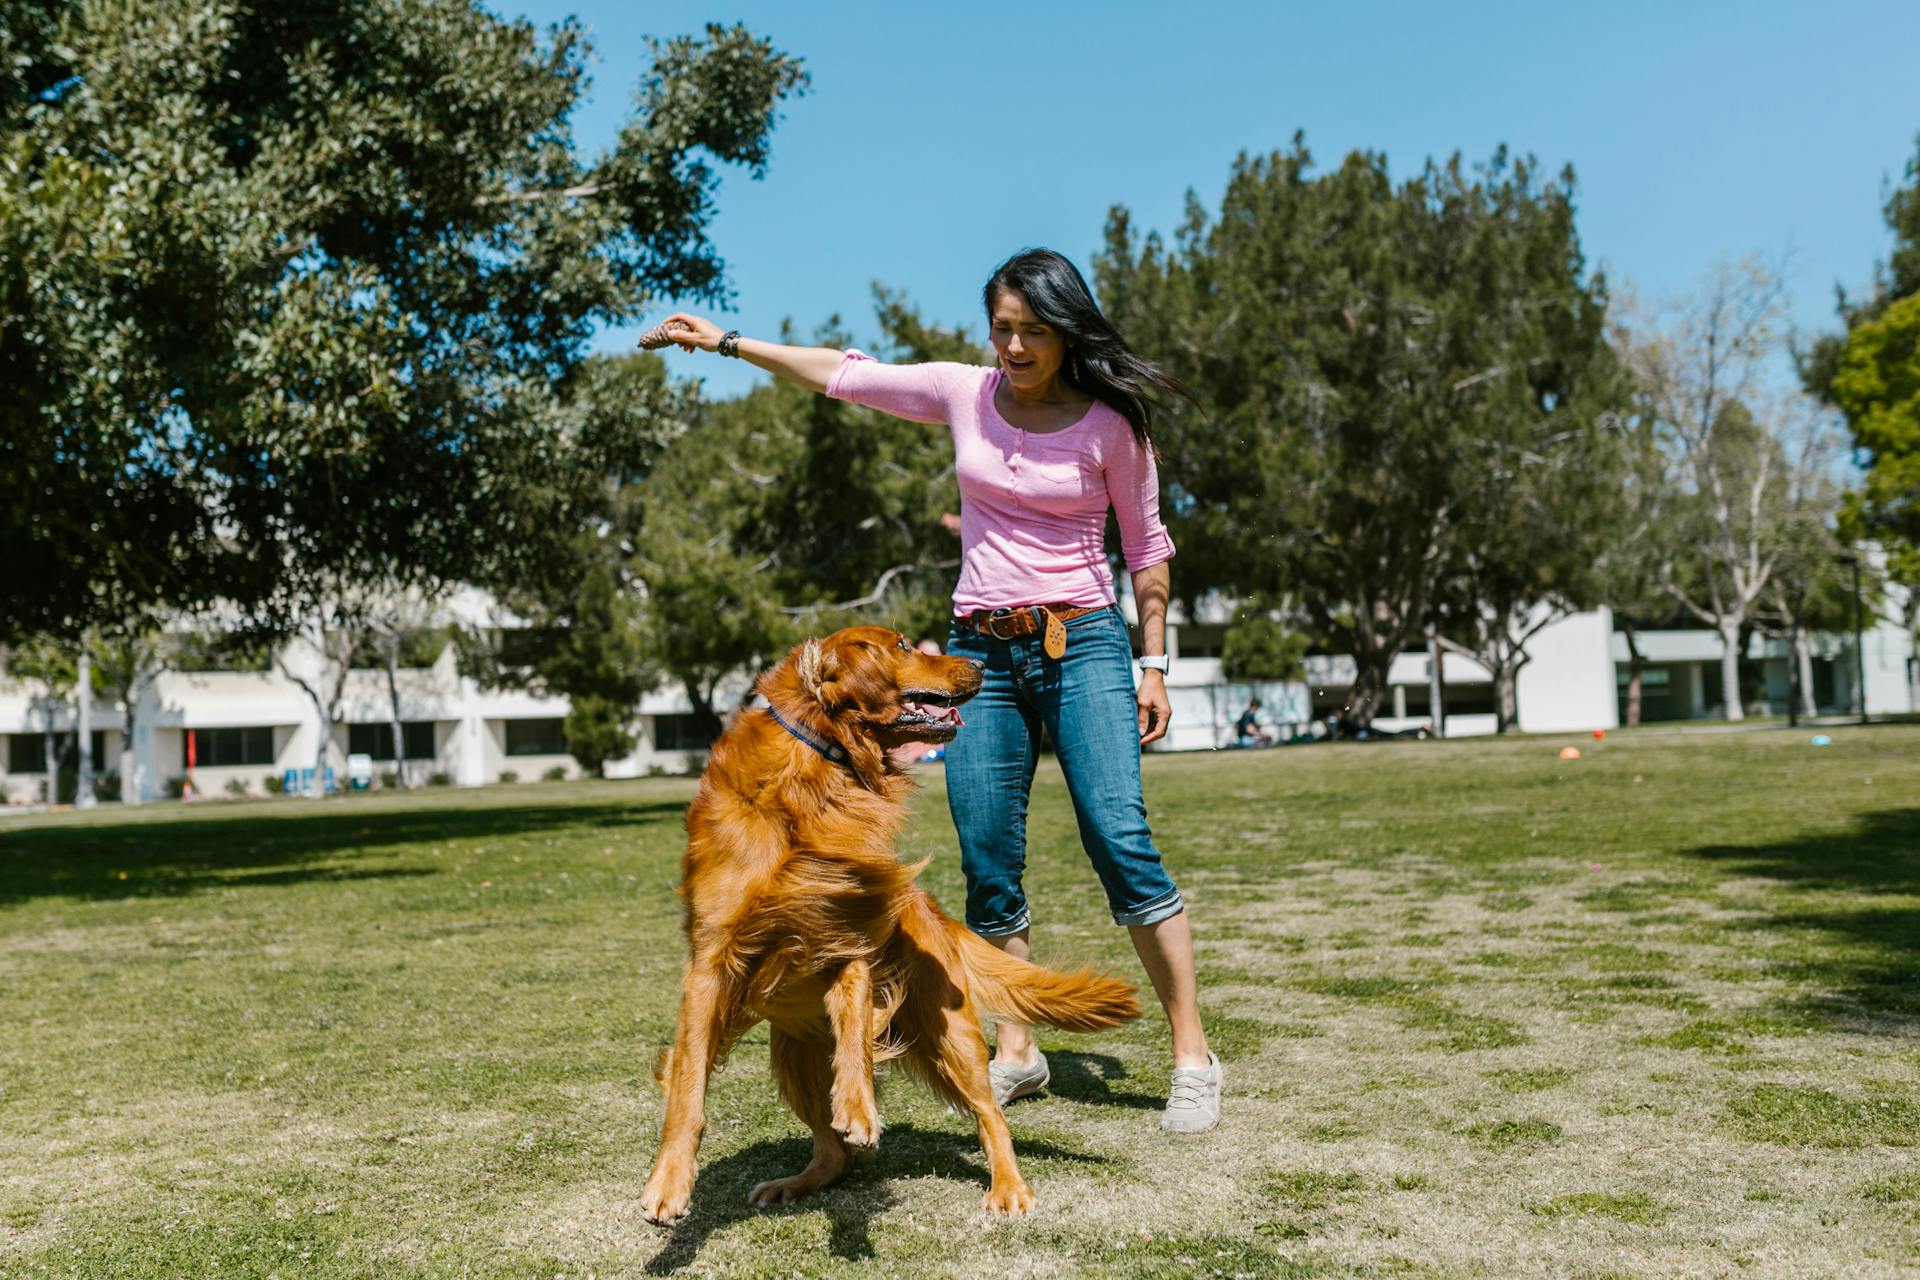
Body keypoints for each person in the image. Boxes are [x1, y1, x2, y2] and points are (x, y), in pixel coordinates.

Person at [653, 248, 1220, 1134]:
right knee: (989, 857)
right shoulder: (966, 391)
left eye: (1033, 331)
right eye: (1003, 328)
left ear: (1068, 332)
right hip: (980, 652)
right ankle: (1018, 1048)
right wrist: (728, 342)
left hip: (1085, 644)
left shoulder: (1114, 426)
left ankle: (1192, 1051)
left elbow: (1147, 551)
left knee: (1120, 839)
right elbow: (846, 376)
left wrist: (1154, 663)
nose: (1015, 346)